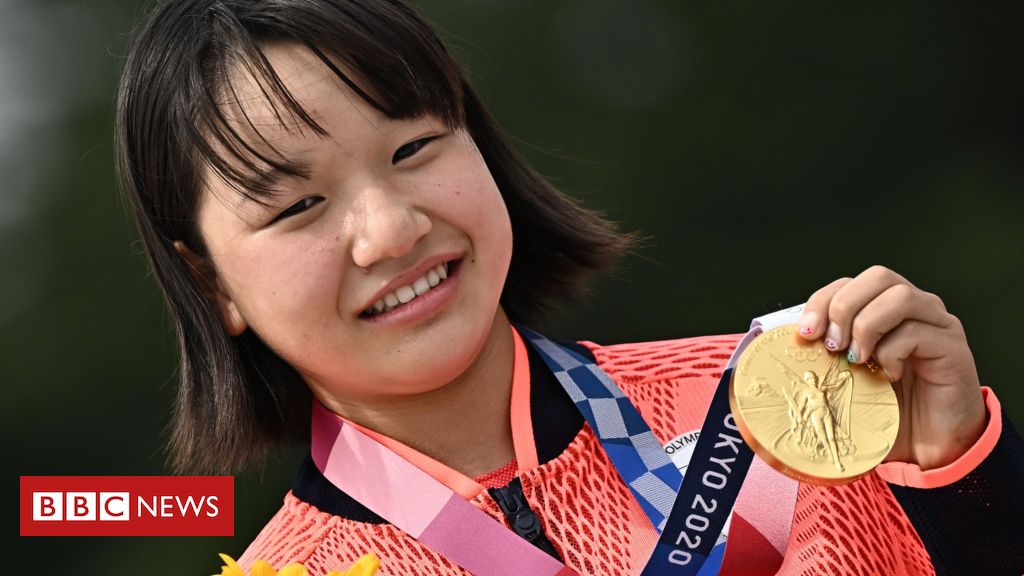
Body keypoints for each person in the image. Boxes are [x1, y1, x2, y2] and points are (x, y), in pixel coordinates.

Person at [115, 1, 1023, 574]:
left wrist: (964, 484)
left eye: (413, 149)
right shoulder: (301, 573)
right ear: (212, 281)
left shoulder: (791, 404)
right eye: (301, 205)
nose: (389, 231)